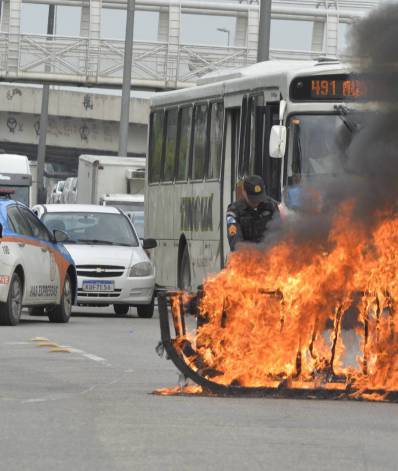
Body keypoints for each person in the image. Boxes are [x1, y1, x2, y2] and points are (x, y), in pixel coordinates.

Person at [226, 175, 279, 251]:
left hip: (269, 255)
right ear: (244, 192)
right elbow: (235, 240)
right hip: (247, 256)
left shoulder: (271, 206)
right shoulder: (234, 211)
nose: (256, 202)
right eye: (252, 199)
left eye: (259, 198)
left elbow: (279, 231)